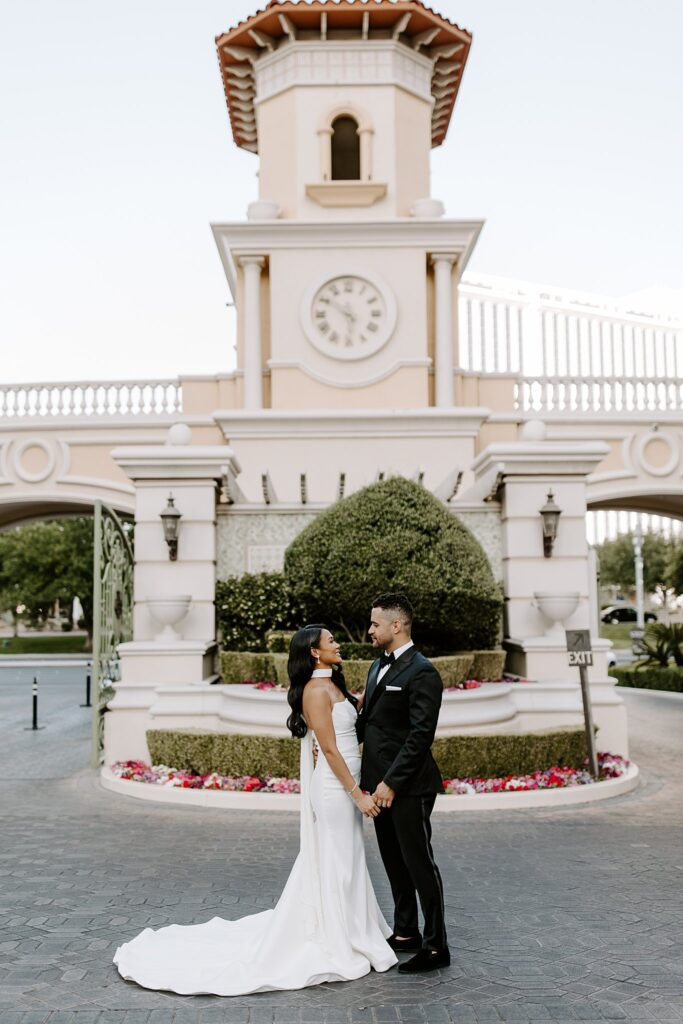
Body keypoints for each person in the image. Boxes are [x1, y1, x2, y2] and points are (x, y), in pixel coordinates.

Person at [113, 624, 397, 995]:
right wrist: (357, 794)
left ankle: (353, 927)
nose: (337, 644)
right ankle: (337, 933)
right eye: (331, 641)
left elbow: (353, 728)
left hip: (344, 780)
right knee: (337, 859)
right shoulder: (314, 691)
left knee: (346, 858)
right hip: (333, 788)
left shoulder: (334, 684)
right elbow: (328, 750)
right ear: (314, 652)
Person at [356, 593, 449, 974]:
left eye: (375, 624)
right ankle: (406, 931)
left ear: (397, 625)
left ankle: (436, 945)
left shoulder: (423, 671)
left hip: (409, 786)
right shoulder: (378, 665)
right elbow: (369, 722)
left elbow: (420, 736)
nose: (370, 630)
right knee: (394, 862)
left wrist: (391, 783)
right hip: (378, 785)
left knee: (419, 863)